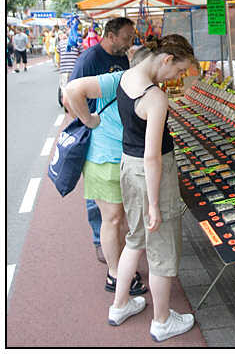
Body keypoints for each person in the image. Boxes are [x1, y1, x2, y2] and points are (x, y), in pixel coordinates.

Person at [107, 34, 199, 342]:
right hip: (151, 175)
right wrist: (155, 204)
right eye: (179, 70)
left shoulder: (126, 76)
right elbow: (152, 155)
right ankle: (162, 321)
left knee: (135, 239)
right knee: (161, 247)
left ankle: (120, 305)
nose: (176, 77)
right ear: (167, 59)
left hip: (128, 167)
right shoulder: (155, 96)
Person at [65, 47, 149, 297]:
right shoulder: (119, 79)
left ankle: (123, 268)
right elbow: (71, 91)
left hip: (121, 156)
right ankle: (115, 275)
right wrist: (88, 120)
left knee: (120, 219)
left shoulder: (142, 85)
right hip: (104, 159)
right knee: (112, 219)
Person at [63, 17, 136, 263]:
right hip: (96, 137)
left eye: (132, 38)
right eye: (126, 38)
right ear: (110, 35)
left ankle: (116, 245)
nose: (130, 43)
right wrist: (86, 123)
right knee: (99, 199)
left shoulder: (122, 58)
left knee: (115, 201)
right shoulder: (89, 59)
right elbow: (68, 98)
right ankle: (100, 240)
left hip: (116, 136)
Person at [57, 31, 83, 100]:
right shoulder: (78, 43)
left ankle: (65, 101)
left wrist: (59, 67)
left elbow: (59, 57)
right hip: (74, 69)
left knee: (64, 87)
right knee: (73, 87)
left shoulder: (60, 43)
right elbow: (81, 56)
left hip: (64, 69)